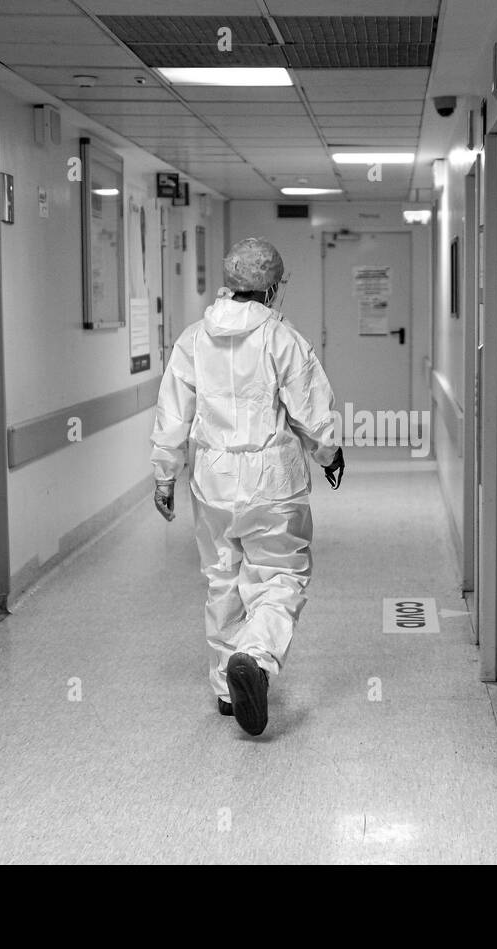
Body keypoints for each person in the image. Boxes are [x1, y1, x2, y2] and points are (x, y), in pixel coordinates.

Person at [150, 237, 344, 737]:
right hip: (272, 482)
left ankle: (224, 689)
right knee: (280, 576)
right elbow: (311, 411)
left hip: (212, 482)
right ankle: (254, 658)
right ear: (273, 288)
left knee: (222, 578)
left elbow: (173, 412)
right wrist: (328, 452)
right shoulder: (283, 340)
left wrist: (164, 473)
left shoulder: (193, 339)